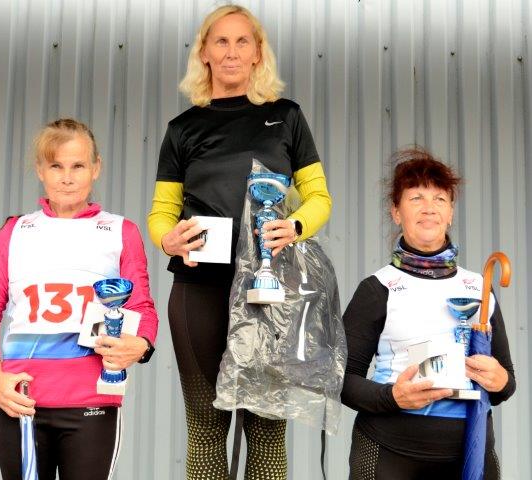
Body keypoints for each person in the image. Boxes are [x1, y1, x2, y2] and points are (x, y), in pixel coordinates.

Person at [147, 5, 332, 479]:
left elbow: (319, 198)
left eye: (242, 41)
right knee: (206, 427)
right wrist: (167, 240)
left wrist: (295, 227)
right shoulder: (182, 129)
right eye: (221, 41)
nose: (231, 52)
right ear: (204, 53)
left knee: (267, 429)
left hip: (270, 290)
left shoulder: (285, 117)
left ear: (257, 53)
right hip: (199, 290)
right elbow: (162, 212)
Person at [0, 118, 158, 480]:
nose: (67, 178)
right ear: (40, 170)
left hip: (92, 403)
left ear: (96, 168)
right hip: (21, 401)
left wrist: (142, 344)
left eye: (78, 166)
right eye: (56, 166)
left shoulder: (121, 231)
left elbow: (141, 308)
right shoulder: (14, 231)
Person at [342, 147, 516, 479]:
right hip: (388, 450)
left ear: (450, 213)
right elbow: (341, 380)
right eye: (416, 198)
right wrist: (392, 396)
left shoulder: (479, 287)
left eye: (439, 199)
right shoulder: (378, 288)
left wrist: (500, 380)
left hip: (471, 452)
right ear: (396, 212)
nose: (429, 208)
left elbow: (505, 383)